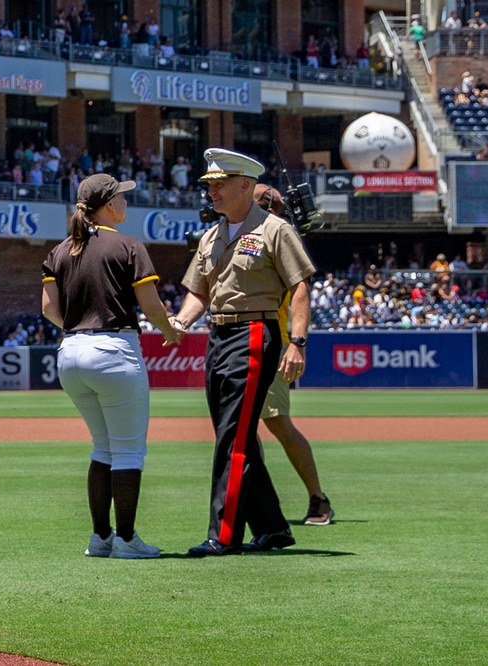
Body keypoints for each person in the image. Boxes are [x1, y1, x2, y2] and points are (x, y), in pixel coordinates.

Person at [171, 149, 316, 557]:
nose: (212, 191)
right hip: (218, 335)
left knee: (232, 436)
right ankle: (272, 526)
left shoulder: (275, 229)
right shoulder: (213, 235)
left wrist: (297, 342)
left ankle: (225, 534)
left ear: (246, 186)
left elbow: (300, 287)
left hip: (255, 332)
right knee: (233, 433)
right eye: (209, 185)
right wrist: (181, 322)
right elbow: (198, 292)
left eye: (219, 184)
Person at [41, 174, 183, 559]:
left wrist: (76, 327)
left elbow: (48, 309)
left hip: (70, 352)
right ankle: (126, 539)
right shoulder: (129, 245)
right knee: (128, 452)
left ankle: (100, 538)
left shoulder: (60, 250)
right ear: (108, 205)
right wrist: (170, 331)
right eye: (121, 196)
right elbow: (151, 305)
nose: (126, 202)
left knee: (102, 448)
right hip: (114, 349)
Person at [253, 184, 333, 526]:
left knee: (278, 423)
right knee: (238, 428)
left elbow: (301, 291)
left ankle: (318, 498)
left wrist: (296, 343)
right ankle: (253, 497)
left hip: (273, 339)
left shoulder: (279, 237)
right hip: (238, 341)